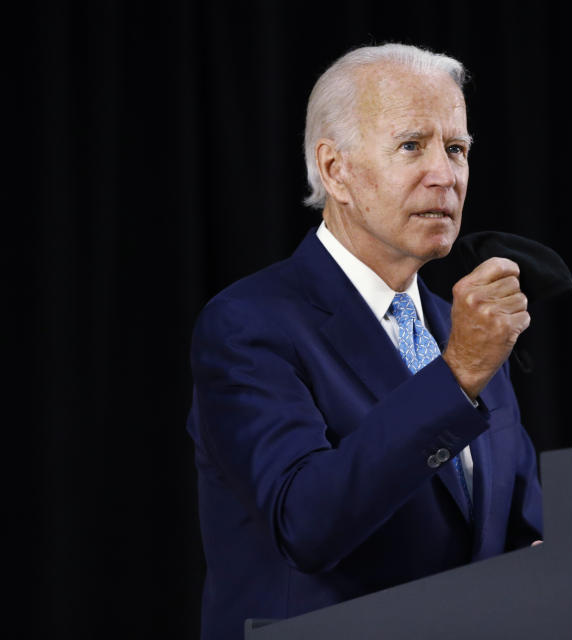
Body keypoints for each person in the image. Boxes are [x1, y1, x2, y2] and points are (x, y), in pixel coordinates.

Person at [186, 43, 543, 639]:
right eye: (412, 146)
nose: (445, 175)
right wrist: (455, 376)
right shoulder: (249, 325)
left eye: (456, 149)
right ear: (335, 171)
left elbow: (517, 524)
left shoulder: (463, 330)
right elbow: (307, 521)